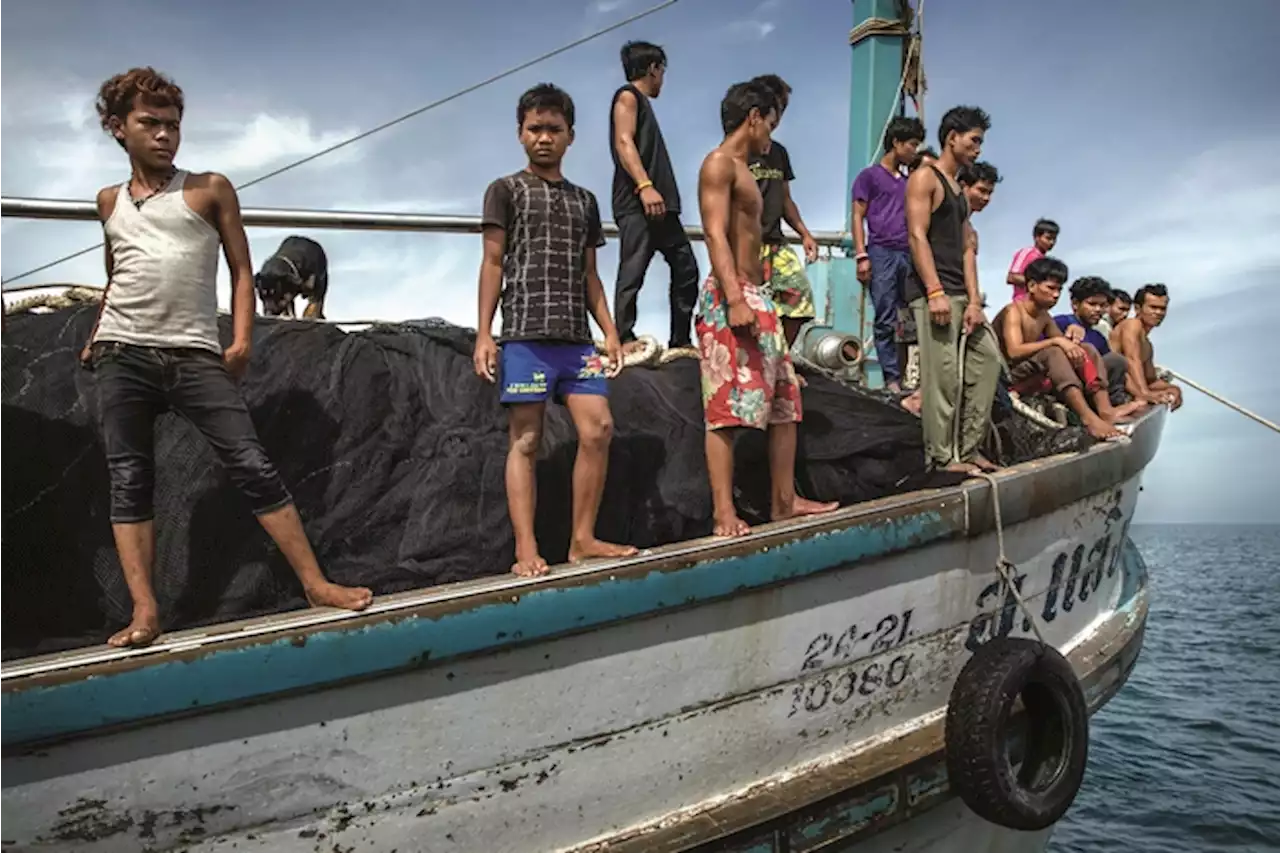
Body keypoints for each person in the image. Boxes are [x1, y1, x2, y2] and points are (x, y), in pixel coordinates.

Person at [80, 68, 372, 647]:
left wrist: (240, 340)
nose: (165, 135)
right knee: (129, 479)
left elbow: (243, 269)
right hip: (123, 352)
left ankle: (315, 582)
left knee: (251, 462)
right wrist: (96, 331)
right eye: (150, 124)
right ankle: (145, 612)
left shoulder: (209, 188)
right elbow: (117, 277)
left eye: (173, 125)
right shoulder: (109, 202)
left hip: (192, 352)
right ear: (118, 129)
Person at [474, 83, 637, 577]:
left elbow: (590, 275)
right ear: (520, 134)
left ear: (570, 136)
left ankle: (582, 539)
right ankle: (526, 547)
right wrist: (485, 333)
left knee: (599, 427)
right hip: (524, 335)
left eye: (554, 129)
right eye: (534, 129)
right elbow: (492, 261)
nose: (544, 138)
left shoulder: (585, 202)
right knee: (526, 440)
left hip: (576, 342)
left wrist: (609, 330)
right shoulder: (504, 190)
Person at [695, 80, 838, 537]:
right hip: (730, 294)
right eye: (770, 123)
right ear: (753, 116)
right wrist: (734, 297)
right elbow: (714, 233)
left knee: (785, 403)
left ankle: (784, 502)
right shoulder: (719, 164)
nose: (771, 135)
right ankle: (723, 513)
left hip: (760, 296)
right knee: (726, 410)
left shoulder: (747, 169)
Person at [904, 106, 1003, 473]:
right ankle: (942, 458)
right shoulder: (924, 179)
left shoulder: (960, 194)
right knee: (943, 378)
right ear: (952, 138)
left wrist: (975, 301)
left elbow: (966, 250)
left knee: (988, 360)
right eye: (974, 140)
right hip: (934, 292)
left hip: (962, 294)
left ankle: (968, 448)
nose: (978, 149)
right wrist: (934, 292)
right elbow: (916, 236)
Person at [609, 40, 699, 355]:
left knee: (686, 267)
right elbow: (623, 141)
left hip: (662, 207)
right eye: (662, 71)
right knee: (633, 269)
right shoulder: (628, 96)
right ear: (653, 69)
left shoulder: (643, 105)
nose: (662, 79)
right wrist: (645, 185)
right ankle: (621, 335)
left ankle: (680, 340)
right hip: (639, 203)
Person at [993, 258, 1139, 441]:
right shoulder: (1013, 311)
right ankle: (1087, 417)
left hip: (1034, 374)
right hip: (1008, 378)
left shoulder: (1044, 316)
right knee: (1054, 351)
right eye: (1051, 288)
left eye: (1059, 290)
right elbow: (1014, 351)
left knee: (1086, 348)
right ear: (1031, 286)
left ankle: (1105, 409)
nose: (1056, 295)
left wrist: (1073, 335)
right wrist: (1056, 341)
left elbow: (1066, 345)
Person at [851, 116, 926, 393]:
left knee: (913, 318)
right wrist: (861, 255)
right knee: (885, 317)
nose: (914, 151)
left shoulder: (909, 183)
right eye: (912, 145)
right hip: (881, 252)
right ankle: (891, 380)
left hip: (909, 254)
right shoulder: (869, 176)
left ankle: (912, 378)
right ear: (896, 143)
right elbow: (857, 216)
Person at [747, 74, 820, 350]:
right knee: (750, 306)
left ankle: (781, 358)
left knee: (798, 295)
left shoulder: (779, 153)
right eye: (778, 106)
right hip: (747, 245)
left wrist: (804, 233)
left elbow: (786, 199)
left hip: (776, 243)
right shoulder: (736, 152)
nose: (779, 116)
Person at [1054, 275, 1135, 406]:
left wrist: (1140, 395)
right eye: (1092, 304)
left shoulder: (1098, 337)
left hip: (1092, 388)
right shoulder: (1061, 323)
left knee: (1117, 361)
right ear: (1075, 304)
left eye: (1102, 305)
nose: (1098, 310)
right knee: (1115, 359)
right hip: (1067, 383)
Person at [1110, 283, 1182, 410]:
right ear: (1138, 309)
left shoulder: (1148, 345)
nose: (1158, 312)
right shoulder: (1132, 325)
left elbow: (1151, 381)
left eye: (1162, 308)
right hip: (1110, 387)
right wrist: (1144, 394)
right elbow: (1132, 360)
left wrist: (1173, 389)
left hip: (1126, 388)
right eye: (1153, 307)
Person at [1006, 218, 1060, 302]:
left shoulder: (1046, 261)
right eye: (1048, 238)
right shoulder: (1027, 252)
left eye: (1054, 239)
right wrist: (1038, 284)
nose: (1052, 242)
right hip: (1022, 304)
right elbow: (1012, 277)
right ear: (1037, 237)